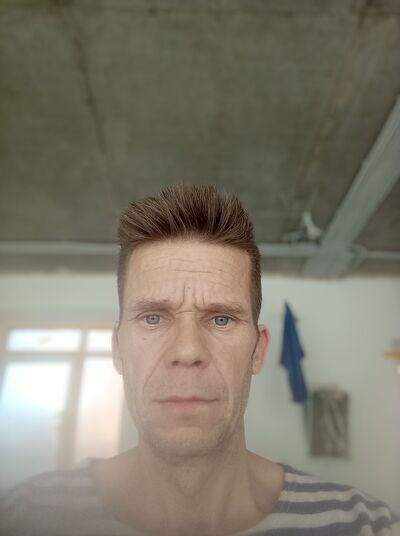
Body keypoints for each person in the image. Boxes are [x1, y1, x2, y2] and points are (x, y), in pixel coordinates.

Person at [1, 184, 399, 536]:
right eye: (153, 318)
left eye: (221, 319)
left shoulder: (364, 525)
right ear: (118, 349)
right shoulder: (25, 517)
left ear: (258, 350)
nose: (187, 351)